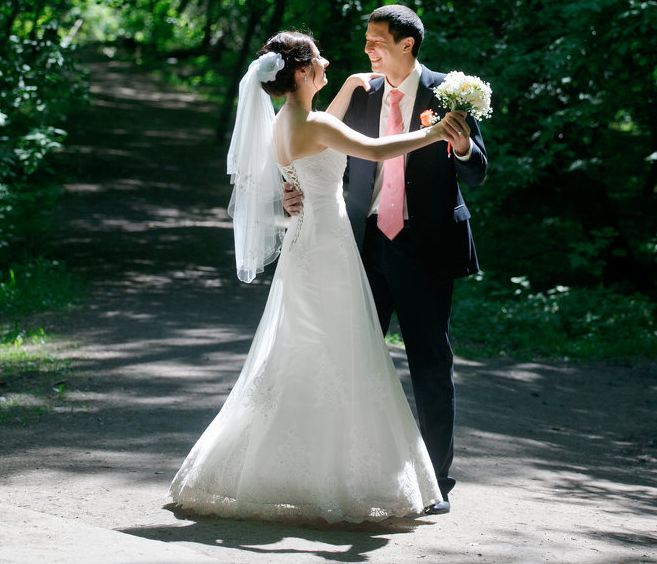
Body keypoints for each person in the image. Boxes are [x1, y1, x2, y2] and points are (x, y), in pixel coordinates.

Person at [168, 30, 470, 524]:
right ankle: (338, 471)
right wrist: (439, 132)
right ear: (304, 70)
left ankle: (275, 465)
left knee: (305, 351)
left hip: (306, 244)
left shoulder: (286, 122)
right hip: (328, 247)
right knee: (343, 354)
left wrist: (350, 85)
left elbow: (317, 138)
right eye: (320, 59)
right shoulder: (315, 126)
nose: (329, 61)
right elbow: (376, 150)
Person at [282, 5, 488, 515]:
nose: (368, 49)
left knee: (430, 364)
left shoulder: (449, 91)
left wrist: (461, 147)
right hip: (361, 245)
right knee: (351, 362)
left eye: (377, 41)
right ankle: (352, 474)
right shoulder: (360, 92)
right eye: (367, 40)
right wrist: (293, 194)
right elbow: (312, 148)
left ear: (407, 45)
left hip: (427, 247)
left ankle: (436, 482)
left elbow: (478, 172)